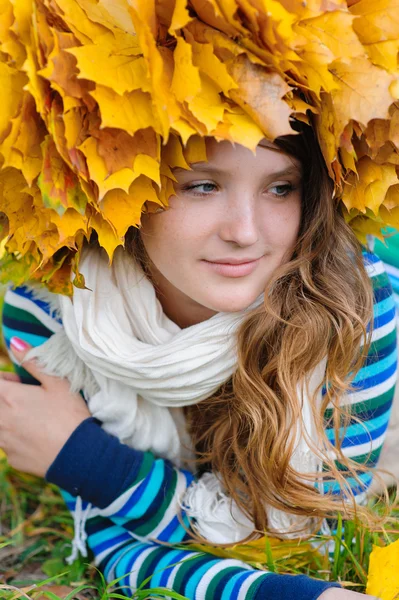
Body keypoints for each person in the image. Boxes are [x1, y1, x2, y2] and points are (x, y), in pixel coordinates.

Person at [0, 124, 397, 600]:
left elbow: (301, 531)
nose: (245, 232)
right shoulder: (55, 311)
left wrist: (87, 459)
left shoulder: (351, 305)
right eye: (202, 185)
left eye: (280, 188)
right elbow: (117, 546)